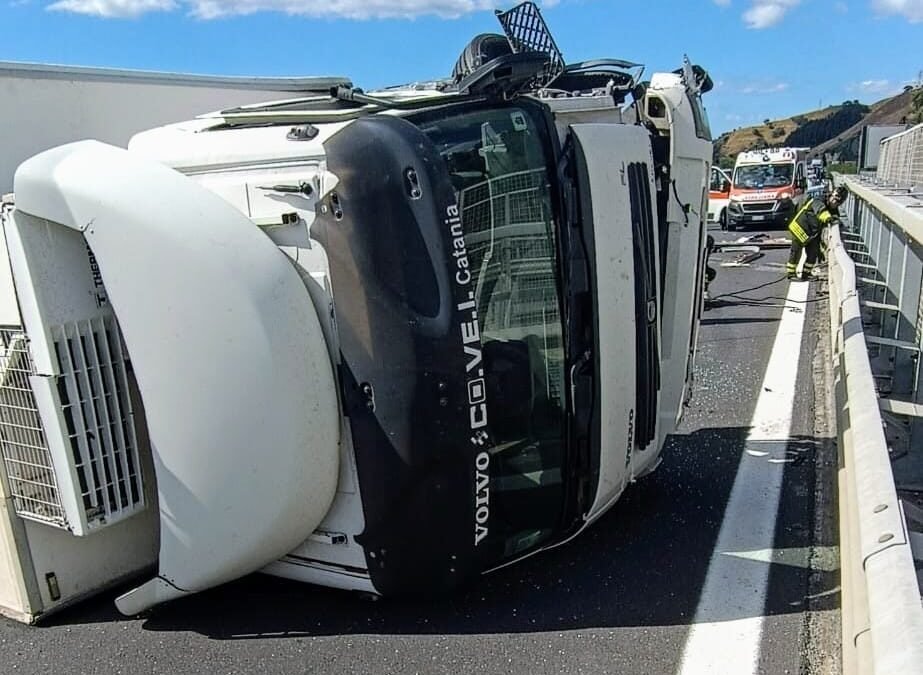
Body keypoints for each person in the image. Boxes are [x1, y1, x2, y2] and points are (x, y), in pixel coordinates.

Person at [786, 185, 848, 281]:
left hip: (812, 232)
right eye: (834, 199)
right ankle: (791, 273)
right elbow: (821, 212)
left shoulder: (833, 208)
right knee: (796, 251)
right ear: (831, 195)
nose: (834, 202)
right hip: (800, 227)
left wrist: (839, 224)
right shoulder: (819, 200)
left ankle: (806, 273)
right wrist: (829, 219)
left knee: (813, 252)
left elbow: (836, 217)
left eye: (838, 202)